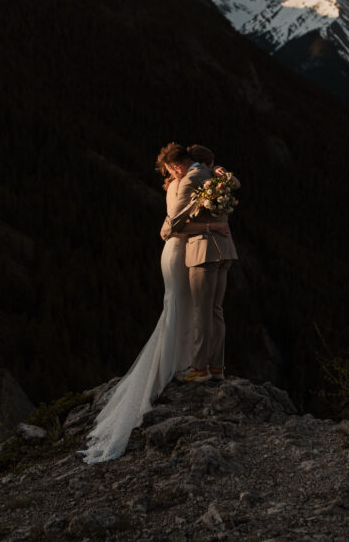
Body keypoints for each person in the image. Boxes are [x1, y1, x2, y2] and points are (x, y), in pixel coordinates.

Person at [80, 143, 230, 463]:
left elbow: (188, 210)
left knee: (187, 305)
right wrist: (211, 225)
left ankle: (187, 361)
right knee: (182, 304)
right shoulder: (189, 179)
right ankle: (180, 364)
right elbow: (173, 222)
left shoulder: (188, 179)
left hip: (183, 248)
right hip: (178, 249)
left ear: (175, 166)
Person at [164, 144, 238, 384]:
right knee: (217, 311)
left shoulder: (190, 180)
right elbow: (236, 185)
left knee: (201, 310)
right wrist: (221, 170)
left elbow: (176, 225)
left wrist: (207, 227)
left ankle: (199, 368)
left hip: (203, 251)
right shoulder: (217, 176)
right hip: (226, 249)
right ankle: (217, 367)